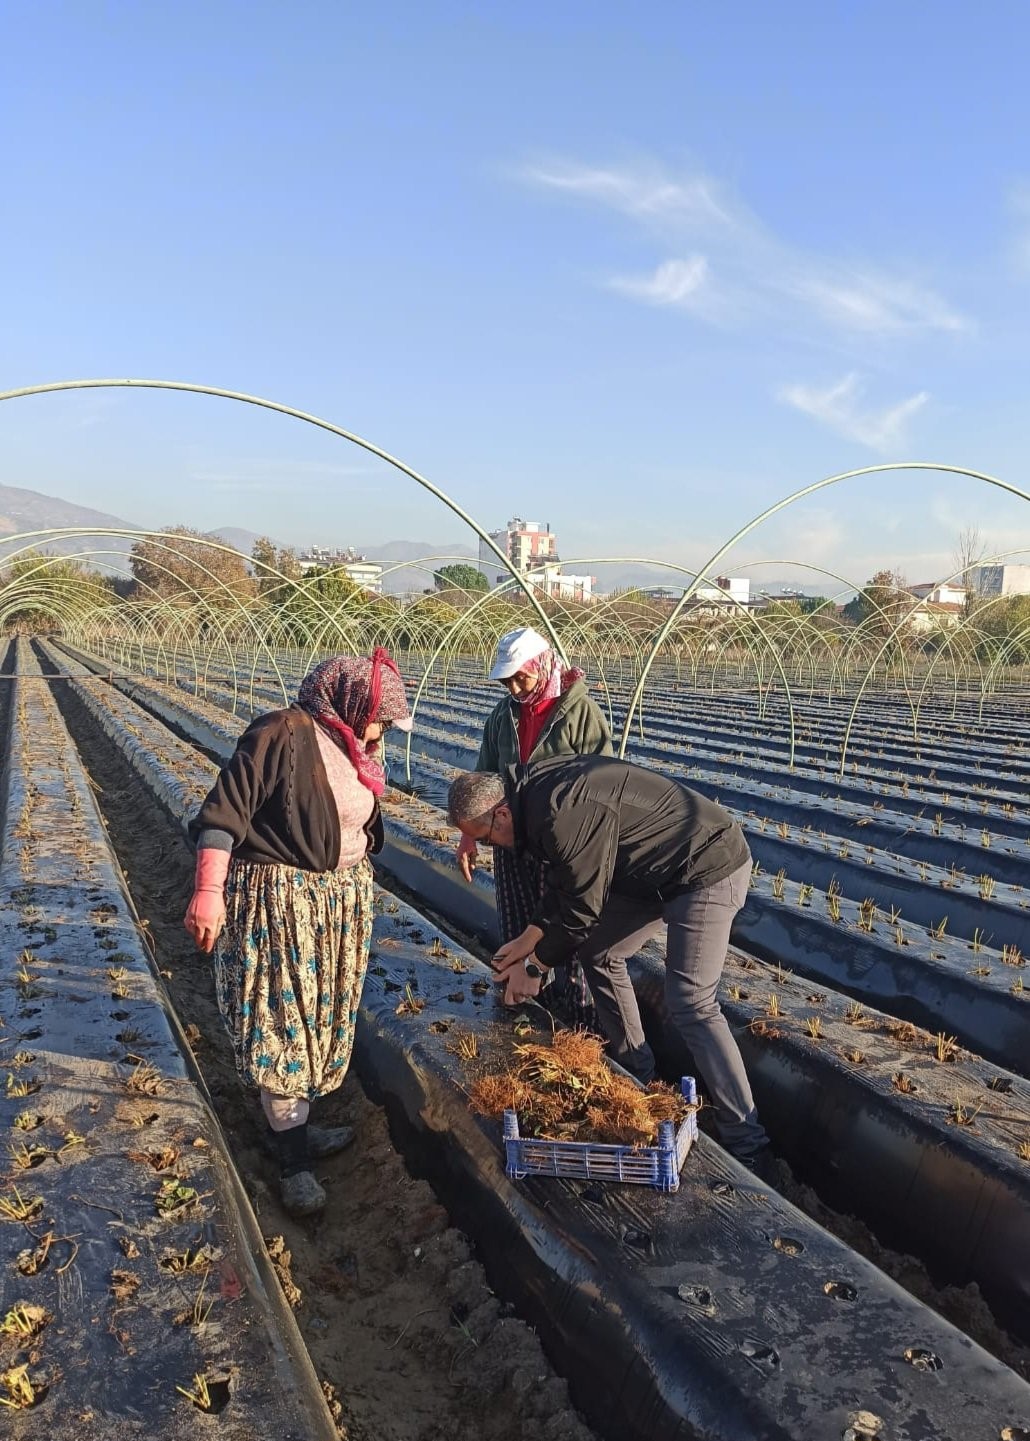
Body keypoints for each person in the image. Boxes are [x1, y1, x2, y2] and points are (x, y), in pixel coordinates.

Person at [447, 756, 771, 1168]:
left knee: (691, 1002)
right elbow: (566, 882)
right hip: (648, 871)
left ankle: (747, 1140)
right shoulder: (532, 798)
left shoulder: (557, 811)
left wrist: (535, 968)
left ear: (501, 813)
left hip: (704, 864)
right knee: (599, 954)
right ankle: (638, 1072)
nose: (494, 849)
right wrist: (528, 939)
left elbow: (583, 909)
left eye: (487, 840)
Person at [185, 649, 413, 1216]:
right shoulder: (281, 732)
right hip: (279, 904)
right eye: (379, 716)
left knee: (319, 1020)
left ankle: (298, 1129)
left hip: (335, 906)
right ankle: (292, 1164)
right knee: (283, 1024)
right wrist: (208, 893)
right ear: (351, 702)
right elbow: (220, 817)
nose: (382, 728)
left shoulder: (356, 744)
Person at [455, 625, 612, 1029]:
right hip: (510, 839)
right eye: (507, 679)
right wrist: (469, 835)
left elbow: (605, 779)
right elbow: (483, 778)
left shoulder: (579, 714)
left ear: (541, 666)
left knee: (566, 932)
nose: (514, 686)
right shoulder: (502, 717)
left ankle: (580, 1023)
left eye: (520, 677)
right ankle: (522, 1009)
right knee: (517, 924)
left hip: (563, 846)